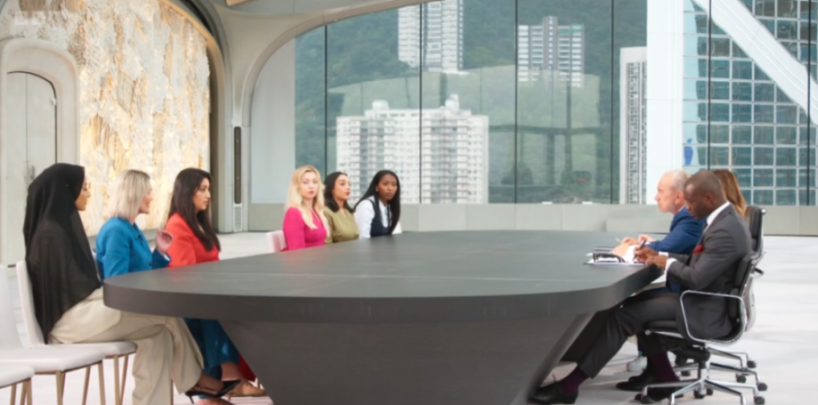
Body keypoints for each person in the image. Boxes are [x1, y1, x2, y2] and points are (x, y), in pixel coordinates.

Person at [529, 171, 751, 405]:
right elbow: (698, 262)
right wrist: (659, 255)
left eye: (690, 202)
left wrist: (667, 262)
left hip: (705, 309)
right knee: (635, 305)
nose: (687, 207)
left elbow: (696, 278)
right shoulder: (723, 220)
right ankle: (665, 376)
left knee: (623, 317)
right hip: (703, 300)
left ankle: (569, 386)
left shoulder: (725, 230)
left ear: (708, 198)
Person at [32, 164, 238, 405]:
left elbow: (137, 276)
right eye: (84, 188)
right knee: (167, 315)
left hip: (90, 311)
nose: (88, 193)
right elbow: (114, 283)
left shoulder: (113, 229)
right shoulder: (53, 234)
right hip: (72, 322)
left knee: (159, 336)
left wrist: (160, 253)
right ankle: (196, 378)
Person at [165, 168, 266, 401]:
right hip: (186, 302)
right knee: (215, 313)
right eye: (202, 190)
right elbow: (185, 275)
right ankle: (230, 377)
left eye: (208, 189)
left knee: (241, 309)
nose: (208, 195)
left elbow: (213, 264)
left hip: (204, 295)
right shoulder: (177, 225)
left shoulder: (199, 222)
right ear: (186, 192)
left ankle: (225, 384)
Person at [95, 170, 173, 282]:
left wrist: (160, 251)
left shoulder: (129, 227)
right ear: (134, 195)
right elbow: (117, 282)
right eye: (148, 192)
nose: (152, 198)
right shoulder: (116, 231)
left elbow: (147, 272)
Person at [615, 169, 706, 262]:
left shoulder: (690, 216)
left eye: (661, 191)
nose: (656, 197)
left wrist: (630, 249)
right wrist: (643, 245)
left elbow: (666, 248)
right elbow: (673, 246)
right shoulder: (686, 215)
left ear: (678, 196)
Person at [282, 165, 328, 250]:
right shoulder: (294, 213)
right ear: (297, 186)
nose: (311, 186)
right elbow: (296, 252)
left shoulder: (316, 211)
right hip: (305, 258)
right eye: (305, 182)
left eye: (315, 182)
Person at [354, 170, 402, 238]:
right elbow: (362, 238)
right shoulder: (366, 206)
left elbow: (397, 237)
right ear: (376, 186)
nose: (390, 188)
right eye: (385, 184)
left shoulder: (389, 210)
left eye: (394, 185)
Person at [323, 172, 359, 243]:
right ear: (331, 188)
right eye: (342, 184)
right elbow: (327, 243)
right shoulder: (326, 212)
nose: (348, 187)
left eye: (349, 184)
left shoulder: (349, 211)